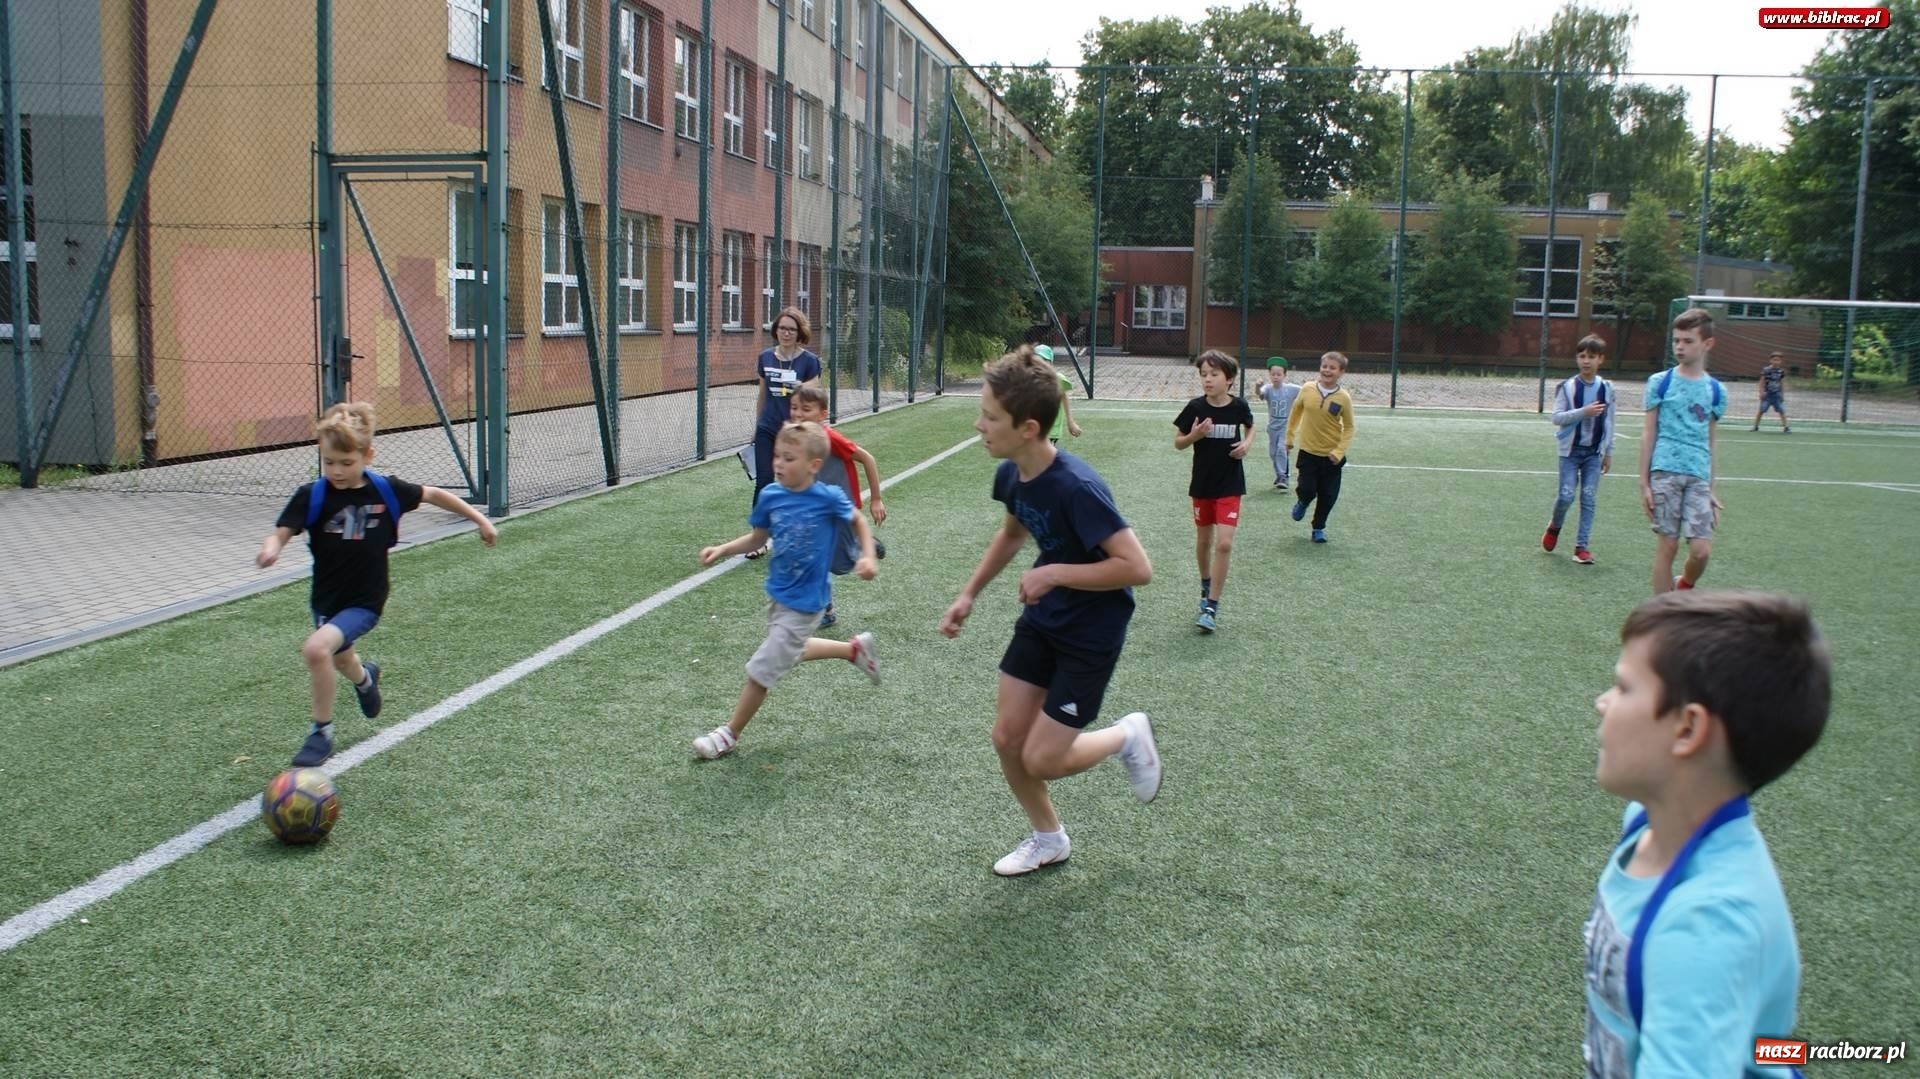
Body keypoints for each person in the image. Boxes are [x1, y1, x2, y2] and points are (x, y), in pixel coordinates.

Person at [1583, 590, 1830, 1079]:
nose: (1602, 703)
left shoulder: (1706, 929)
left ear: (1687, 728)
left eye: (1624, 688)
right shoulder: (1649, 821)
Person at [939, 345, 1161, 877]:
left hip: (1091, 632)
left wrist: (1055, 572)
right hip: (1044, 620)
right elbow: (1013, 533)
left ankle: (1126, 735)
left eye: (990, 417)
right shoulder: (1012, 473)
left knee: (1041, 758)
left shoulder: (1077, 487)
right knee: (1006, 739)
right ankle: (1049, 838)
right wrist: (969, 593)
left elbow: (1136, 567)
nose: (979, 425)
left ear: (1030, 427)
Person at [256, 402, 499, 767]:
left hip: (365, 600)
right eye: (329, 462)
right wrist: (271, 548)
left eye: (346, 462)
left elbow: (432, 494)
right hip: (326, 599)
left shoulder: (385, 491)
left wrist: (479, 519)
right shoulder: (313, 496)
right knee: (340, 657)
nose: (336, 471)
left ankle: (320, 733)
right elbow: (284, 530)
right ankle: (365, 679)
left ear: (367, 455)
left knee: (316, 650)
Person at [693, 421, 880, 759]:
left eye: (789, 458)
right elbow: (757, 539)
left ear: (813, 466)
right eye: (777, 456)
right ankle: (854, 651)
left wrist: (867, 556)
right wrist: (722, 549)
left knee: (761, 668)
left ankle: (728, 733)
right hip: (779, 595)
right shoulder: (771, 496)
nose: (778, 463)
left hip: (808, 603)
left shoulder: (826, 497)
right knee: (791, 651)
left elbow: (858, 520)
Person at [1641, 308, 1727, 594]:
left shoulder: (1716, 390)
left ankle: (1685, 585)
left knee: (1701, 551)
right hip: (1664, 471)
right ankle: (1663, 619)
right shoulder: (1660, 383)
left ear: (1707, 344)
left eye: (1688, 341)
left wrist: (1711, 487)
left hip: (1698, 476)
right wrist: (1644, 483)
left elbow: (1711, 440)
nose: (1680, 346)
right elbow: (1649, 432)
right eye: (1677, 340)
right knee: (1668, 545)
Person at [787, 384, 888, 628]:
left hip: (840, 510)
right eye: (794, 408)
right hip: (815, 512)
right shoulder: (796, 435)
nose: (798, 414)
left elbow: (867, 458)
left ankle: (866, 546)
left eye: (806, 409)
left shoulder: (829, 437)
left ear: (822, 415)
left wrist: (876, 498)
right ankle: (827, 611)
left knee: (840, 565)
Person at [1174, 350, 1255, 633]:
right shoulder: (1195, 408)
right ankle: (1205, 582)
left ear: (1229, 379)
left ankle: (1211, 605)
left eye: (1214, 374)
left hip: (1230, 484)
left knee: (1224, 544)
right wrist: (1194, 436)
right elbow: (1178, 443)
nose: (1207, 380)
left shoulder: (1239, 406)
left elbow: (1251, 426)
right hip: (1203, 484)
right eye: (1203, 375)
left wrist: (1247, 445)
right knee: (1205, 541)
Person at [746, 307, 824, 559]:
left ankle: (803, 534)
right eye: (782, 328)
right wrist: (756, 426)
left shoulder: (809, 362)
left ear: (799, 332)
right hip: (768, 429)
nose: (786, 333)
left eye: (791, 329)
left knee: (798, 483)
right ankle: (759, 538)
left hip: (795, 433)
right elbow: (762, 394)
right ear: (775, 330)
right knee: (764, 481)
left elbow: (813, 398)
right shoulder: (765, 358)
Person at [1544, 334, 1617, 566]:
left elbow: (1611, 421)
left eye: (1591, 357)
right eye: (1582, 356)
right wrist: (1583, 411)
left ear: (1601, 360)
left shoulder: (1607, 388)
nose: (1586, 361)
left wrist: (1608, 451)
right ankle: (1555, 526)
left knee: (1588, 497)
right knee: (1566, 495)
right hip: (1570, 452)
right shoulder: (1567, 387)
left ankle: (1581, 547)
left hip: (1593, 454)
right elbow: (1556, 418)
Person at [1284, 351, 1357, 544]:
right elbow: (1296, 411)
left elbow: (1349, 428)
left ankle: (1318, 528)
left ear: (1341, 372)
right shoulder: (1307, 389)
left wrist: (1339, 451)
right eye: (1324, 366)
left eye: (1332, 368)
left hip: (1332, 457)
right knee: (1307, 489)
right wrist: (1290, 436)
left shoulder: (1344, 398)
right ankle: (1303, 501)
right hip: (1308, 452)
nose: (1327, 370)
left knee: (1328, 496)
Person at [1253, 357, 1301, 491]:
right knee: (1273, 452)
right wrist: (1257, 386)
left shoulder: (1291, 389)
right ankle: (1279, 474)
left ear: (1285, 375)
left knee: (1281, 448)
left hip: (1286, 426)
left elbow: (1307, 391)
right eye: (1273, 374)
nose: (1276, 377)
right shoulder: (1268, 389)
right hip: (1273, 427)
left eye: (1279, 374)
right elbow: (1260, 394)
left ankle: (1283, 476)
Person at [1034, 344, 1083, 444]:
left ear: (1051, 363)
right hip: (1034, 429)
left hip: (1051, 430)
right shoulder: (1028, 380)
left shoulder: (1058, 379)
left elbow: (1063, 397)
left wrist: (1070, 422)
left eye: (1044, 360)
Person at [1752, 352, 1791, 434]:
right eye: (1774, 360)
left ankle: (1786, 427)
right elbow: (1762, 382)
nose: (1776, 362)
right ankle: (1755, 426)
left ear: (1781, 361)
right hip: (1767, 394)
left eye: (1778, 360)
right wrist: (1761, 392)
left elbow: (1782, 382)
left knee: (1781, 410)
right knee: (1761, 410)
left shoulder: (1781, 371)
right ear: (1770, 360)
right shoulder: (1766, 370)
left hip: (1776, 394)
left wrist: (1782, 394)